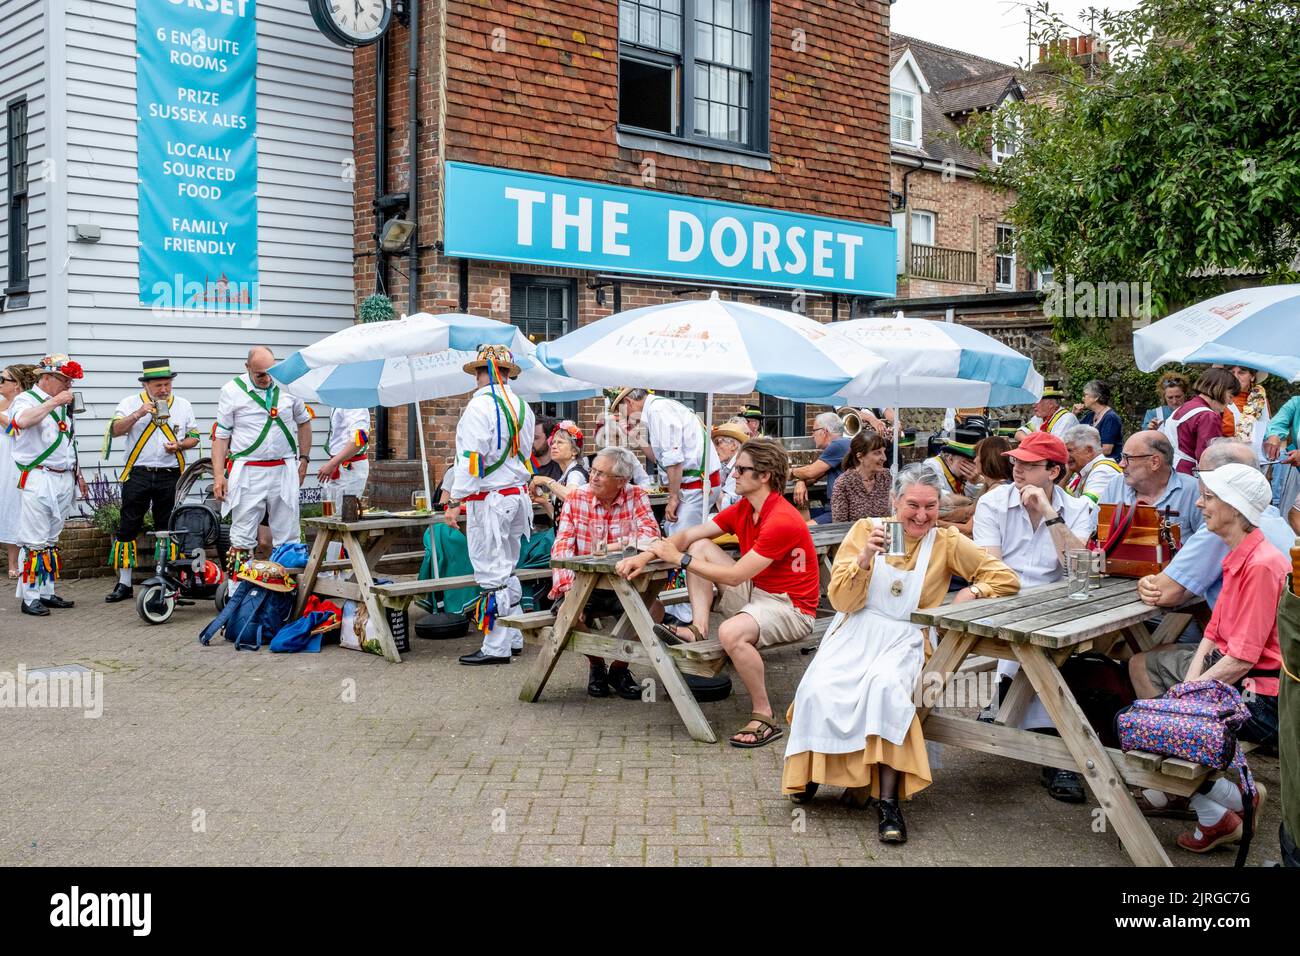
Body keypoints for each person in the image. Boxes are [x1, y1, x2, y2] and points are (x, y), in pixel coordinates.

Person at [783, 465, 1019, 843]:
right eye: (912, 505)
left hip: (908, 636)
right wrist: (864, 560)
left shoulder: (947, 541)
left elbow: (1006, 578)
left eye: (931, 506)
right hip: (858, 628)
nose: (922, 515)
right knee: (817, 685)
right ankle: (812, 773)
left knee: (886, 690)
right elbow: (841, 600)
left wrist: (971, 593)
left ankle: (888, 801)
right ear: (894, 502)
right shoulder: (867, 530)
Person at [619, 439, 820, 748]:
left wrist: (680, 560)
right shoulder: (744, 508)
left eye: (740, 469)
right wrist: (644, 556)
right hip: (759, 593)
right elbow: (686, 536)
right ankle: (698, 630)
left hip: (791, 607)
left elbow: (736, 574)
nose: (732, 475)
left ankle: (764, 715)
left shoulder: (781, 519)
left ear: (764, 475)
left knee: (730, 632)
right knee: (700, 546)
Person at [1129, 463, 1287, 853]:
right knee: (1159, 706)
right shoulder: (1242, 552)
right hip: (1244, 683)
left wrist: (1187, 698)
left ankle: (1223, 801)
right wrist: (1189, 688)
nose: (1199, 503)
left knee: (1157, 719)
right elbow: (1213, 635)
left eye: (1210, 497)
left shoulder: (1263, 564)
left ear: (1235, 507)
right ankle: (1214, 805)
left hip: (1263, 700)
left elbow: (1242, 659)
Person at [972, 431, 1097, 801]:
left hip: (1055, 605)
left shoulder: (1076, 509)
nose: (1018, 470)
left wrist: (1049, 513)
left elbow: (1079, 572)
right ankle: (1059, 754)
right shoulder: (993, 503)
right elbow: (991, 569)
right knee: (1043, 653)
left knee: (1052, 647)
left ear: (1054, 472)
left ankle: (1004, 701)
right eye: (1016, 462)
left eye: (1028, 465)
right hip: (1002, 599)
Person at [445, 345, 536, 664]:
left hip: (491, 501)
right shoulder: (523, 405)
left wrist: (456, 500)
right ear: (508, 373)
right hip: (516, 498)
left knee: (490, 572)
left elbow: (471, 459)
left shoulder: (478, 407)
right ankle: (514, 634)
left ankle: (495, 646)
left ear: (481, 373)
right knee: (507, 568)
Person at [549, 446, 660, 699]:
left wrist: (614, 545)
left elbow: (652, 536)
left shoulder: (636, 495)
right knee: (569, 616)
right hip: (583, 583)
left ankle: (619, 669)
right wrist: (567, 588)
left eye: (601, 473)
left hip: (624, 582)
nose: (593, 477)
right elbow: (562, 545)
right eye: (593, 471)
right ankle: (597, 664)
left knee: (655, 611)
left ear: (621, 481)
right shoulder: (577, 498)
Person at [1135, 439, 1295, 616]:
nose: (1198, 500)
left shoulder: (1226, 526)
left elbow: (1164, 593)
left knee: (1167, 642)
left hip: (1261, 639)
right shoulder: (1270, 514)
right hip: (1285, 634)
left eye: (1199, 473)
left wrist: (1147, 583)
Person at [611, 387, 721, 626]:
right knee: (678, 542)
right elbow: (659, 457)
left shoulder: (659, 412)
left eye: (622, 412)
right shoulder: (659, 410)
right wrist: (637, 435)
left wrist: (673, 497)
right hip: (693, 486)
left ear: (629, 402)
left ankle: (686, 615)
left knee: (681, 546)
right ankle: (682, 609)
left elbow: (673, 459)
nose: (624, 419)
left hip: (693, 487)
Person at [212, 347, 312, 590]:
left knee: (288, 535)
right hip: (248, 471)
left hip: (284, 469)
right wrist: (218, 476)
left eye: (269, 373)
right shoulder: (232, 391)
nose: (266, 379)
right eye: (260, 375)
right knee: (242, 535)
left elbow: (304, 422)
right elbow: (221, 437)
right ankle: (237, 597)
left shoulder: (289, 387)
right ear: (247, 368)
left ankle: (288, 593)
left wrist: (304, 460)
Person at [102, 360, 200, 602]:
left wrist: (179, 445)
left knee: (166, 527)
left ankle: (166, 578)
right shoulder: (129, 402)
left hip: (170, 474)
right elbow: (115, 430)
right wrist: (139, 413)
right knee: (128, 526)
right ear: (146, 384)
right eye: (158, 385)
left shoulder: (183, 405)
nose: (164, 389)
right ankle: (124, 583)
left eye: (167, 384)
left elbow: (194, 437)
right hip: (138, 473)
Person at [9, 355, 89, 616]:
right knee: (34, 541)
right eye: (65, 380)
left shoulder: (64, 403)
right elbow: (21, 422)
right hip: (38, 476)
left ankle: (46, 591)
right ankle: (29, 597)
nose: (69, 386)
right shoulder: (25, 400)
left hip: (63, 476)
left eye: (70, 381)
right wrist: (54, 402)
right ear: (46, 378)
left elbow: (69, 440)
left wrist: (79, 473)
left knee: (51, 540)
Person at [1098, 431, 1202, 542]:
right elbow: (1094, 531)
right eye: (1122, 457)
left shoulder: (1193, 491)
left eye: (1127, 458)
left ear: (1155, 462)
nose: (1121, 464)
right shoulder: (1115, 485)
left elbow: (1207, 544)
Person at [0, 363, 38, 580]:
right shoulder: (3, 403)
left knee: (12, 505)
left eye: (3, 379)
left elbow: (15, 429)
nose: (0, 383)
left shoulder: (24, 403)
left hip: (12, 459)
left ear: (16, 385)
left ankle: (14, 562)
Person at [1162, 367, 1237, 475]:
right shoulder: (1208, 416)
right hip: (1191, 474)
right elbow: (1209, 458)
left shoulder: (1185, 408)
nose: (1230, 402)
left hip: (1173, 470)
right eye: (1230, 396)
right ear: (1219, 389)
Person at [792, 412, 851, 523]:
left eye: (814, 431)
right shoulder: (840, 446)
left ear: (824, 432)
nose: (812, 435)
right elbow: (812, 477)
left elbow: (810, 472)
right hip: (832, 508)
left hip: (838, 511)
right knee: (796, 517)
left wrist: (790, 472)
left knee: (801, 529)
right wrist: (800, 481)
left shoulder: (838, 445)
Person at [528, 419, 587, 523]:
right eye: (553, 442)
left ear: (574, 451)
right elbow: (560, 521)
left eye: (560, 442)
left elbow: (570, 496)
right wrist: (544, 502)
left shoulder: (576, 474)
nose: (553, 446)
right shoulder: (565, 475)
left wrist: (545, 480)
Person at [831, 430, 892, 522]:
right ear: (860, 457)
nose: (884, 458)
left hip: (885, 534)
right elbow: (839, 524)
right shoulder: (843, 483)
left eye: (883, 452)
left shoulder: (887, 477)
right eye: (877, 453)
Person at [1263, 394, 1300, 534]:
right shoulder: (1297, 403)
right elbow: (1278, 422)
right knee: (1289, 522)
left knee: (1295, 515)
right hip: (1297, 473)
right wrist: (1274, 435)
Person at [1063, 423, 1122, 504]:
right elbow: (1057, 501)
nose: (1065, 455)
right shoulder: (1080, 471)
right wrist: (1067, 474)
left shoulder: (1103, 471)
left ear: (1089, 451)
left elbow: (1086, 508)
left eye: (1069, 450)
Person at [1222, 366, 1270, 459]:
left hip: (1256, 460)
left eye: (1241, 373)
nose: (1235, 377)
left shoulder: (1260, 399)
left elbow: (1268, 428)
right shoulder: (1219, 398)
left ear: (1252, 377)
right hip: (1226, 458)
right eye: (1231, 372)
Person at [1073, 379, 1122, 459]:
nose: (1083, 398)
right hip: (1092, 461)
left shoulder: (1110, 418)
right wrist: (1074, 415)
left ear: (1096, 397)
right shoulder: (1090, 415)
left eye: (1085, 395)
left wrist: (1081, 455)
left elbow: (1107, 450)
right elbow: (1074, 435)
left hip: (1107, 464)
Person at [711, 420, 750, 511]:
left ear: (733, 446)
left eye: (718, 443)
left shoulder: (739, 467)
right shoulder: (725, 464)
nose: (715, 448)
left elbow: (726, 505)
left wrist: (710, 478)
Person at [529, 414, 562, 481]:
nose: (530, 441)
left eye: (535, 438)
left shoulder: (561, 467)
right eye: (529, 437)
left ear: (550, 439)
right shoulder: (523, 466)